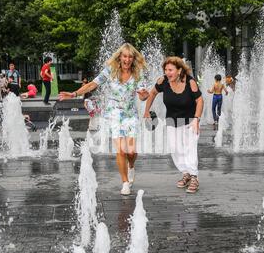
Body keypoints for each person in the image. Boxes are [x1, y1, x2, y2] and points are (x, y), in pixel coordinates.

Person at [59, 43, 147, 195]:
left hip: (130, 114)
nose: (127, 59)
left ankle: (131, 166)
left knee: (131, 151)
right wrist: (74, 94)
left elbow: (143, 94)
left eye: (130, 57)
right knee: (120, 150)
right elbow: (92, 84)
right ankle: (125, 182)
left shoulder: (137, 73)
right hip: (113, 114)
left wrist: (144, 95)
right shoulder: (110, 71)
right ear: (120, 57)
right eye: (125, 56)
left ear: (133, 59)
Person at [139, 56, 204, 194]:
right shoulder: (163, 81)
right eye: (166, 69)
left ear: (179, 70)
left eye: (171, 70)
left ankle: (194, 177)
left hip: (190, 121)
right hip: (172, 121)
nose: (167, 73)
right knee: (175, 148)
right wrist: (146, 111)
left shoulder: (190, 82)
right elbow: (152, 93)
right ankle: (185, 173)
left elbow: (199, 100)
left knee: (189, 148)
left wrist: (197, 119)